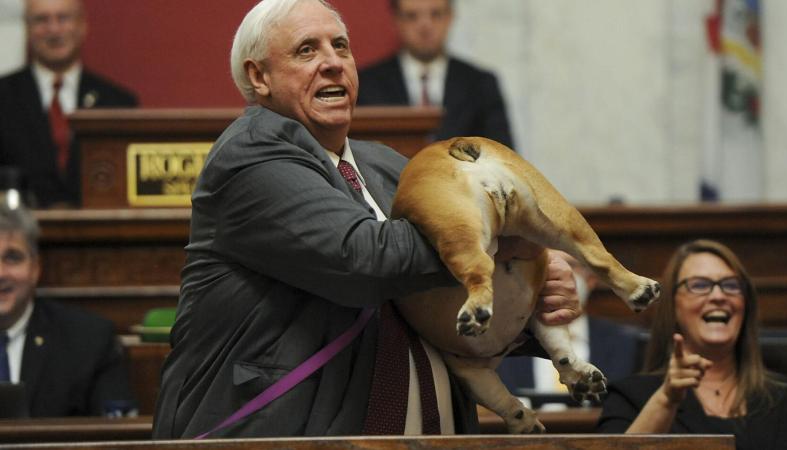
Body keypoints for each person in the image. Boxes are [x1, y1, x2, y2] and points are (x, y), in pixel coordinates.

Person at [151, 0, 579, 439]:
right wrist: (508, 246)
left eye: (341, 46)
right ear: (259, 77)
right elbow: (363, 260)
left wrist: (531, 297)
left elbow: (436, 295)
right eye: (306, 50)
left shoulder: (386, 166)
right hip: (281, 434)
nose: (333, 62)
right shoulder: (251, 157)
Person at [597, 239, 787, 450]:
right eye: (699, 285)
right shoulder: (631, 397)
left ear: (745, 304)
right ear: (673, 305)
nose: (718, 296)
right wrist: (666, 400)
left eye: (731, 285)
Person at [0, 203, 134, 417]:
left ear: (35, 268)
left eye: (12, 258)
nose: (1, 273)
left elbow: (115, 437)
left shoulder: (89, 340)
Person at [0, 0, 138, 208]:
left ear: (82, 26)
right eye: (41, 20)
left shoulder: (118, 103)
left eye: (63, 18)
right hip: (18, 235)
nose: (54, 29)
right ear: (27, 28)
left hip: (100, 235)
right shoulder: (4, 97)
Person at [357, 0, 514, 148]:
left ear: (450, 17)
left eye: (436, 14)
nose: (425, 26)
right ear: (396, 20)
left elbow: (503, 158)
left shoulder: (480, 84)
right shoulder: (367, 85)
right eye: (412, 16)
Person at [496, 250, 641, 397]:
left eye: (569, 265)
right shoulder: (505, 339)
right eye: (545, 265)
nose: (555, 274)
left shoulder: (623, 341)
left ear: (590, 280)